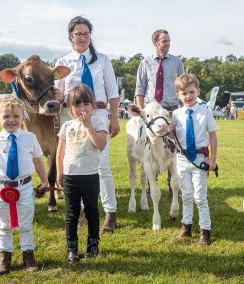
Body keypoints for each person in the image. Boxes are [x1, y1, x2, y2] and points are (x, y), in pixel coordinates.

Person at [54, 16, 120, 233]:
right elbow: (59, 92)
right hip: (72, 119)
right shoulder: (62, 63)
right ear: (70, 36)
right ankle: (85, 211)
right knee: (78, 165)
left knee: (102, 166)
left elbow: (112, 91)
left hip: (99, 114)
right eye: (78, 34)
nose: (82, 37)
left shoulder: (102, 60)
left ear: (90, 36)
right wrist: (55, 91)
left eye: (86, 34)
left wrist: (114, 117)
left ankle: (110, 213)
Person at [0, 96, 49, 275]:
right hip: (2, 188)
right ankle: (5, 257)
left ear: (23, 118)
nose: (11, 120)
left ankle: (28, 254)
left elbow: (38, 160)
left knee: (26, 222)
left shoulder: (30, 138)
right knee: (3, 223)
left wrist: (45, 181)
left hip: (24, 187)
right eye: (6, 116)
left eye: (16, 116)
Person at [56, 85, 107, 263]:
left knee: (92, 211)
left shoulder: (99, 123)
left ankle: (93, 244)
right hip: (71, 176)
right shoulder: (66, 126)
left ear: (92, 105)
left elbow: (100, 145)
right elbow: (60, 152)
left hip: (90, 175)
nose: (82, 109)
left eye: (86, 104)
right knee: (72, 213)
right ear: (70, 108)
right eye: (77, 105)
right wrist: (60, 173)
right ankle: (72, 248)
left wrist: (88, 126)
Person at [171, 74, 217, 246]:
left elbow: (212, 135)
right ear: (178, 95)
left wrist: (212, 159)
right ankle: (186, 226)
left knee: (200, 196)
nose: (188, 96)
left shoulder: (205, 112)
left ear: (198, 91)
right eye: (184, 93)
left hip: (199, 158)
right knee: (187, 194)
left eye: (191, 92)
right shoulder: (176, 114)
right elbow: (173, 136)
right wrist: (168, 130)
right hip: (182, 159)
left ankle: (205, 231)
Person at [135, 29, 184, 112]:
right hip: (151, 111)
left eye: (169, 41)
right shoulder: (145, 63)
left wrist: (183, 109)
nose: (168, 44)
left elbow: (183, 87)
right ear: (156, 43)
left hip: (172, 110)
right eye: (164, 41)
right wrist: (141, 111)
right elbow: (140, 89)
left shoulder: (177, 62)